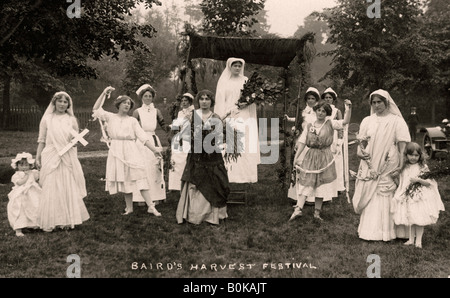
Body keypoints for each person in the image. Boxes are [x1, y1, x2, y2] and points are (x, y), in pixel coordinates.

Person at [92, 86, 163, 216]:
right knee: (125, 179)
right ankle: (129, 208)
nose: (127, 105)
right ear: (118, 105)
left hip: (131, 149)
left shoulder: (132, 120)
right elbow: (96, 109)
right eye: (124, 103)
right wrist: (103, 93)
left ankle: (151, 206)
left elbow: (143, 137)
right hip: (117, 150)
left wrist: (154, 150)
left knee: (140, 176)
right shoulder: (110, 117)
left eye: (129, 103)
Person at [352, 89, 411, 241]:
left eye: (380, 102)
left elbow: (403, 146)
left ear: (386, 103)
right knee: (370, 192)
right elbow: (362, 143)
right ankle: (371, 231)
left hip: (389, 162)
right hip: (369, 162)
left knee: (385, 192)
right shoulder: (367, 121)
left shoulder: (397, 121)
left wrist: (401, 166)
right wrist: (360, 153)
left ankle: (391, 232)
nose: (377, 105)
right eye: (374, 102)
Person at [290, 99, 353, 221]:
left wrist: (348, 109)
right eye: (318, 110)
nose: (320, 113)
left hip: (325, 156)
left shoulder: (330, 123)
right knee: (306, 182)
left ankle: (317, 213)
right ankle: (298, 209)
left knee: (321, 185)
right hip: (311, 157)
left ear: (327, 113)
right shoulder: (309, 125)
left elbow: (345, 121)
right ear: (315, 111)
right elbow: (302, 142)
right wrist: (296, 157)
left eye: (323, 111)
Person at [36, 91, 90, 232]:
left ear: (68, 105)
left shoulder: (71, 120)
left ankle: (67, 220)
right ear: (54, 103)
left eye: (65, 102)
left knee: (66, 184)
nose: (62, 104)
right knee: (51, 185)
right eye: (59, 101)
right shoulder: (47, 119)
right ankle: (51, 219)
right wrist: (37, 157)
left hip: (66, 156)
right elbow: (41, 140)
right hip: (51, 154)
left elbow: (75, 140)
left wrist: (74, 143)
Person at [176, 90, 230, 225]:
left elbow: (221, 137)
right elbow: (184, 135)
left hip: (212, 155)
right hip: (197, 155)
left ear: (211, 101)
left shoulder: (216, 117)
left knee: (215, 181)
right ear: (198, 101)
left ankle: (214, 215)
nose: (204, 102)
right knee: (197, 180)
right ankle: (196, 214)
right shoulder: (191, 116)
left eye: (207, 99)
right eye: (202, 99)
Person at [214, 57, 260, 184]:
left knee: (244, 145)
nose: (237, 68)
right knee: (230, 145)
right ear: (230, 67)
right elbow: (220, 101)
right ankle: (230, 175)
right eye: (235, 65)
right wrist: (221, 117)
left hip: (244, 114)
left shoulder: (246, 81)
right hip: (229, 115)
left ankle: (245, 176)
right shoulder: (224, 82)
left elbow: (251, 99)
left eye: (240, 66)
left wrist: (246, 104)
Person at [391, 142, 445, 248]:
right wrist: (395, 178)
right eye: (411, 155)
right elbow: (402, 182)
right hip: (408, 195)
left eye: (416, 155)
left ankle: (418, 241)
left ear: (420, 156)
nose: (413, 158)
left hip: (419, 196)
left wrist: (418, 180)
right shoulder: (405, 167)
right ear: (406, 155)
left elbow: (429, 182)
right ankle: (411, 239)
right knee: (411, 217)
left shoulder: (422, 167)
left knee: (419, 219)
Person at [132, 84, 168, 205]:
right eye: (145, 96)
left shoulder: (156, 111)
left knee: (155, 168)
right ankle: (141, 198)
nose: (148, 98)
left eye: (150, 96)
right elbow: (133, 128)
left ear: (152, 97)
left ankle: (156, 196)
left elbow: (163, 125)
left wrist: (173, 130)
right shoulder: (137, 112)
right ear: (141, 97)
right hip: (141, 142)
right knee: (142, 168)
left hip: (153, 139)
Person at [286, 87, 320, 203]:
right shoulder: (302, 112)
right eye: (309, 98)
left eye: (313, 98)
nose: (311, 100)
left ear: (316, 99)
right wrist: (295, 129)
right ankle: (297, 195)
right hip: (302, 142)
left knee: (311, 168)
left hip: (314, 142)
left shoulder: (319, 112)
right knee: (300, 167)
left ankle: (311, 197)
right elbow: (299, 123)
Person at [7, 152, 41, 236]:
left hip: (33, 192)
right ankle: (18, 229)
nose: (24, 167)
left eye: (26, 165)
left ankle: (31, 225)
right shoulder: (17, 175)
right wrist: (26, 176)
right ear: (17, 166)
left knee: (35, 207)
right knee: (20, 209)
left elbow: (37, 179)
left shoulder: (33, 172)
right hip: (22, 193)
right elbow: (19, 183)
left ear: (30, 165)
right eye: (21, 165)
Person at [321, 87, 346, 195]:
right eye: (326, 97)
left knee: (336, 162)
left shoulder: (337, 111)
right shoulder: (321, 109)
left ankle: (338, 186)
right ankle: (326, 186)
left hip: (334, 138)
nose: (327, 99)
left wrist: (340, 140)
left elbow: (341, 126)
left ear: (333, 99)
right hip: (324, 137)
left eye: (330, 97)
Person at [168, 92, 195, 191]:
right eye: (182, 101)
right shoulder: (180, 113)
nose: (183, 103)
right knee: (176, 161)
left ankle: (187, 186)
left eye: (186, 101)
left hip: (189, 139)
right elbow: (177, 125)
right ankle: (176, 186)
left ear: (190, 102)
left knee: (185, 162)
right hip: (179, 139)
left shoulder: (194, 112)